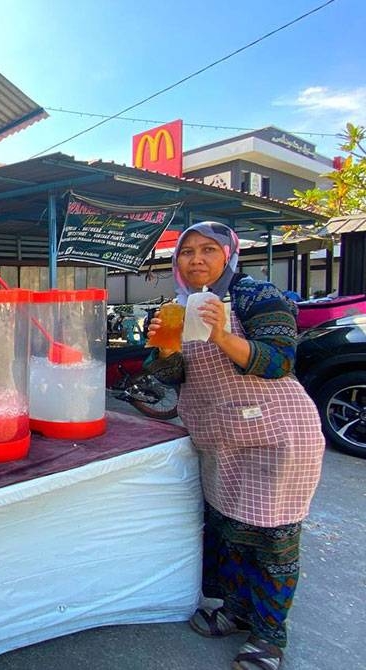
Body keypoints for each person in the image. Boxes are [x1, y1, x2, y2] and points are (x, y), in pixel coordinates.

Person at [147, 221, 324, 670]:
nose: (196, 260)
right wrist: (163, 350)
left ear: (229, 254)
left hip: (278, 437)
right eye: (187, 252)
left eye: (209, 250)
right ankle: (237, 610)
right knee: (231, 531)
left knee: (273, 538)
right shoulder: (177, 309)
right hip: (222, 440)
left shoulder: (256, 296)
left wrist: (223, 333)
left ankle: (269, 637)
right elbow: (171, 379)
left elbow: (280, 361)